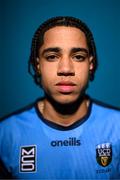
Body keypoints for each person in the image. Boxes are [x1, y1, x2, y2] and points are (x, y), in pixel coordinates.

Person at [0, 16, 120, 179]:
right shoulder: (6, 134)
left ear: (90, 64)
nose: (65, 69)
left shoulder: (116, 127)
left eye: (78, 57)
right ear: (38, 65)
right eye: (52, 56)